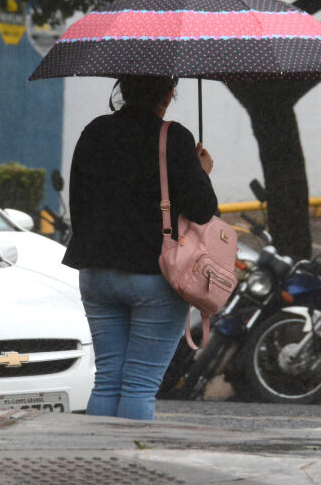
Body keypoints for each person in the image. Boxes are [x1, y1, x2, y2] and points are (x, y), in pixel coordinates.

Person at [63, 75, 218, 420]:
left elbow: (79, 201)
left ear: (123, 90)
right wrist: (201, 171)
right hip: (154, 274)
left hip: (96, 272)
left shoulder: (94, 132)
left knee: (107, 382)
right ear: (169, 92)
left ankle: (98, 465)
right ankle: (127, 466)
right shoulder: (173, 137)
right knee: (138, 385)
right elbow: (203, 209)